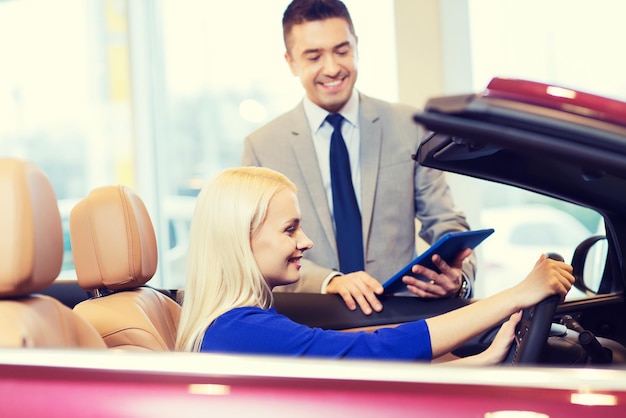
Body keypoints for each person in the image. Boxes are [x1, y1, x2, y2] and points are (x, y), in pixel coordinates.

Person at [175, 167, 574, 364]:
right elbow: (372, 355)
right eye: (290, 229)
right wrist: (517, 295)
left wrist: (481, 362)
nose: (305, 242)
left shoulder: (243, 322)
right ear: (241, 239)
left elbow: (368, 378)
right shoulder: (243, 332)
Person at [242, 0, 475, 315]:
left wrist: (459, 278)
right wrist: (329, 281)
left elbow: (445, 220)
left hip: (401, 320)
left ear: (356, 46)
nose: (332, 67)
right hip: (311, 321)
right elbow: (255, 252)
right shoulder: (263, 146)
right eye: (314, 56)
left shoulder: (410, 127)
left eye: (342, 50)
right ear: (291, 62)